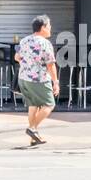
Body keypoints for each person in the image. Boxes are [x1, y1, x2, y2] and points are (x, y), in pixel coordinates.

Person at [15, 16, 59, 146]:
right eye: (49, 26)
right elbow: (50, 65)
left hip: (23, 78)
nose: (50, 28)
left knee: (33, 106)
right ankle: (32, 128)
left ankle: (34, 137)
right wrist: (55, 82)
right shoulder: (45, 43)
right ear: (43, 27)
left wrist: (28, 63)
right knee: (49, 104)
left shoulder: (24, 41)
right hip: (39, 79)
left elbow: (17, 57)